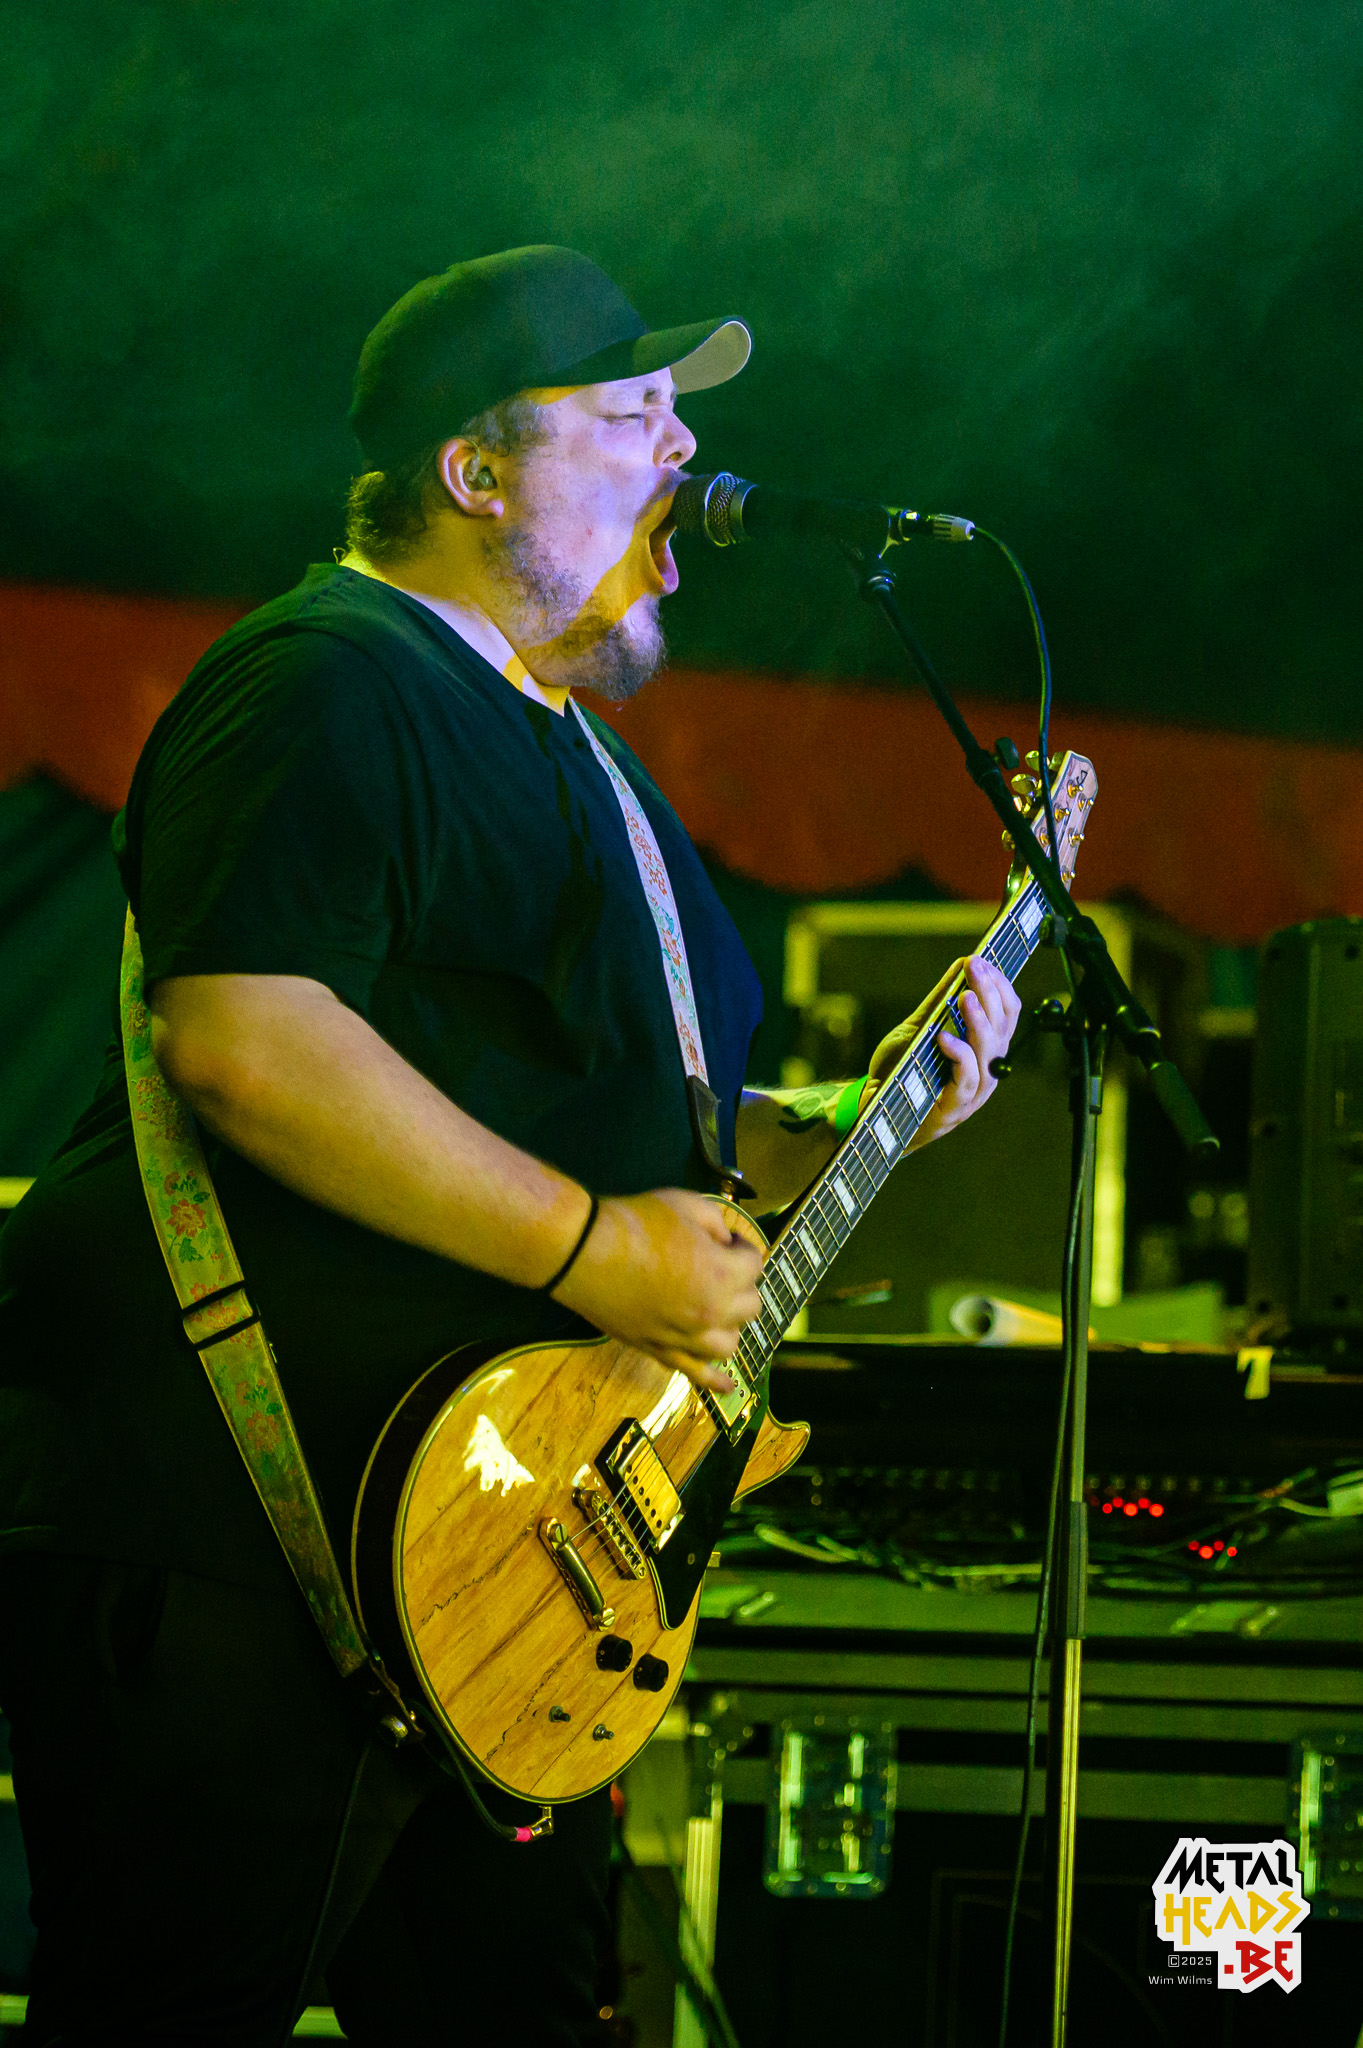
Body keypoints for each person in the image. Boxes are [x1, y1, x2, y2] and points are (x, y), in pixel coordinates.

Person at [0, 245, 1020, 2044]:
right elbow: (244, 1037)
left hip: (501, 1567)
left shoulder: (596, 770)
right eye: (630, 415)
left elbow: (639, 1130)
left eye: (680, 417)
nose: (683, 457)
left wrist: (855, 1123)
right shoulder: (327, 678)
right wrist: (593, 1249)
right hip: (248, 1534)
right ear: (474, 473)